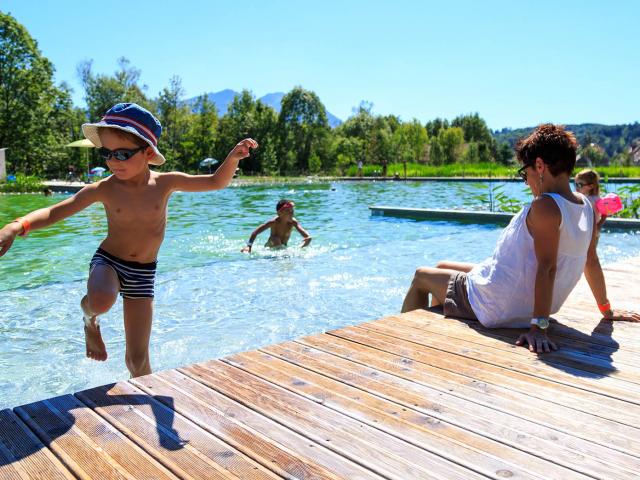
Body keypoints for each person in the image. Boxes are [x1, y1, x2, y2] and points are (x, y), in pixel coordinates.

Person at [0, 103, 258, 377]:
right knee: (100, 300)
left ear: (148, 153)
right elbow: (56, 210)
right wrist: (17, 226)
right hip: (109, 262)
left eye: (122, 154)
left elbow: (215, 182)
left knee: (137, 361)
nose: (112, 162)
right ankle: (89, 319)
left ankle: (144, 398)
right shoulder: (105, 189)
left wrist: (232, 158)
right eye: (107, 153)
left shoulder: (165, 183)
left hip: (143, 273)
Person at [401, 124, 639, 353]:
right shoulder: (584, 205)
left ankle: (404, 344)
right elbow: (591, 260)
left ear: (539, 165)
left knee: (421, 276)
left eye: (525, 174)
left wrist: (539, 327)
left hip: (498, 303)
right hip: (515, 293)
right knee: (442, 267)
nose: (527, 182)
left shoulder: (546, 205)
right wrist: (606, 309)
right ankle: (438, 329)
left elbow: (547, 268)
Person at [241, 199, 312, 253]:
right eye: (288, 211)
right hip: (270, 246)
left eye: (292, 211)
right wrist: (249, 246)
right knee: (276, 239)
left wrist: (308, 238)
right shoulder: (273, 222)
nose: (291, 213)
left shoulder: (293, 222)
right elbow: (255, 232)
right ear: (279, 213)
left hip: (282, 247)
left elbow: (305, 234)